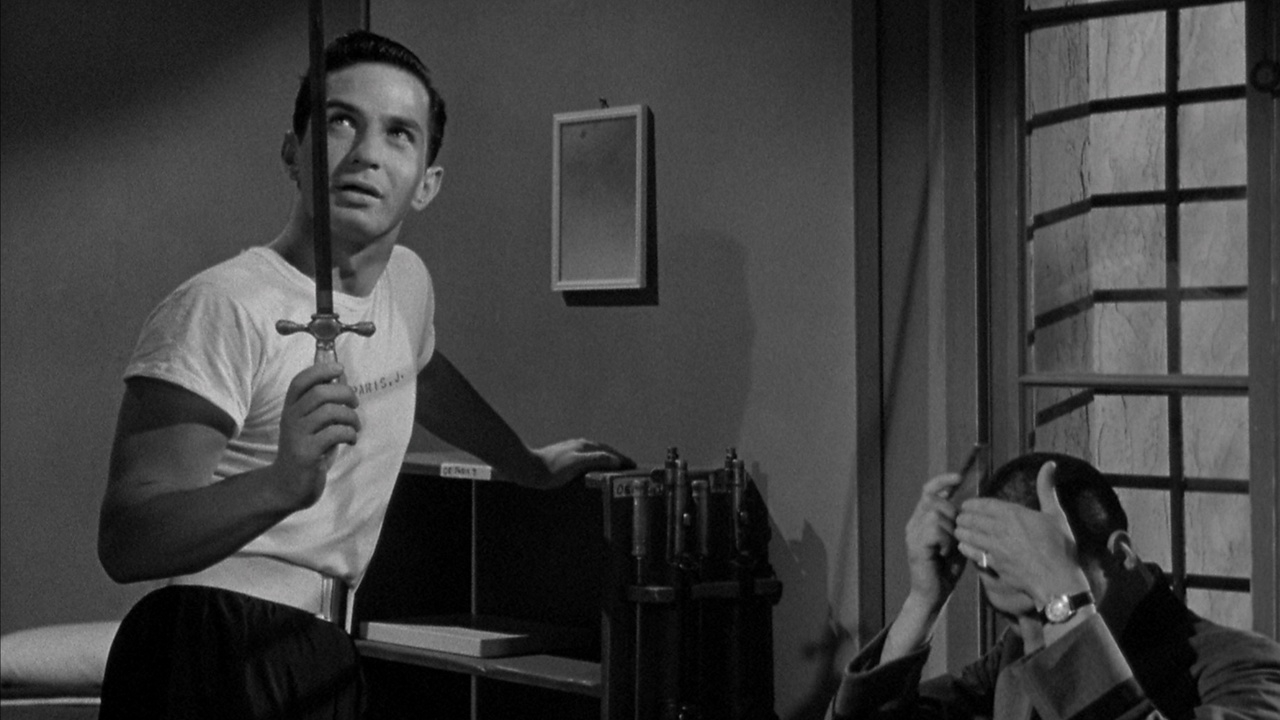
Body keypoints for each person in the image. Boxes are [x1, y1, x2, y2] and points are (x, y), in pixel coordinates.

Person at [96, 30, 632, 719]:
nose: (366, 153)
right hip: (206, 645)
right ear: (292, 152)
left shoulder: (406, 284)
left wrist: (524, 462)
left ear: (427, 185)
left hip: (326, 647)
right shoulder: (222, 305)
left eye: (399, 133)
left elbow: (422, 374)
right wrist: (280, 485)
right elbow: (128, 538)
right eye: (341, 122)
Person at [828, 451, 1280, 719]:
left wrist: (1064, 601)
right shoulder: (1017, 653)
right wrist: (923, 602)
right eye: (1014, 620)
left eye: (1048, 610)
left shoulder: (1245, 668)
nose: (1035, 644)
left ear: (1121, 554)